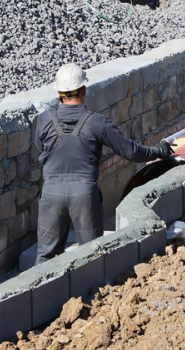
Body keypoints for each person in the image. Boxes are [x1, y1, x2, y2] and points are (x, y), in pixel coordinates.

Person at [34, 63, 173, 264]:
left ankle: (42, 295)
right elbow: (131, 151)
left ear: (58, 92)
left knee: (46, 257)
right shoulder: (97, 122)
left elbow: (42, 148)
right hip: (84, 194)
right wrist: (159, 150)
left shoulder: (44, 120)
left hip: (51, 194)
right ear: (84, 90)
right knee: (91, 255)